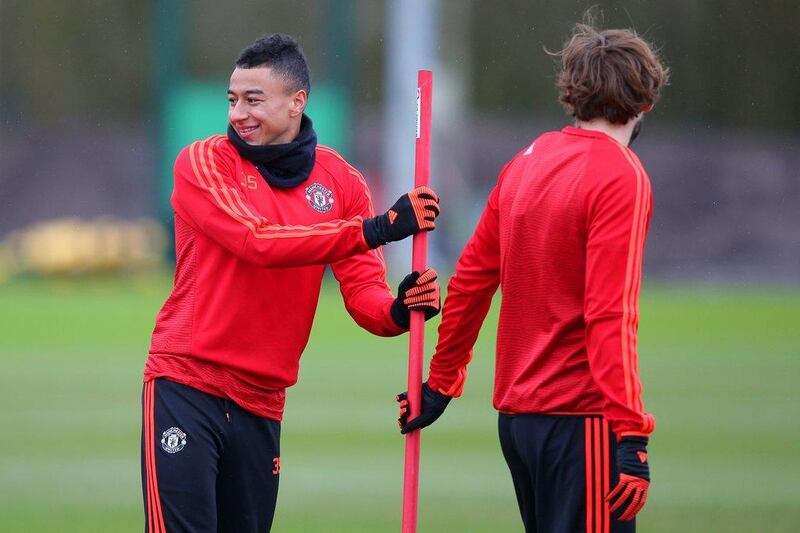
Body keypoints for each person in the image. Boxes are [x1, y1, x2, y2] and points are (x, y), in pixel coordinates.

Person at [142, 34, 442, 532]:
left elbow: (363, 289)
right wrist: (377, 228)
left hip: (263, 400)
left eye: (253, 100)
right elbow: (256, 242)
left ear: (297, 101)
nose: (239, 113)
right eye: (233, 100)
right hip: (188, 382)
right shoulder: (202, 161)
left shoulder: (342, 182)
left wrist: (398, 309)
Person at [397, 20, 668, 533]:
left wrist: (442, 382)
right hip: (580, 422)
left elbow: (472, 279)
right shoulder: (623, 174)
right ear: (645, 101)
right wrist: (632, 433)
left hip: (518, 426)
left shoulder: (527, 160)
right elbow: (611, 314)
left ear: (574, 94)